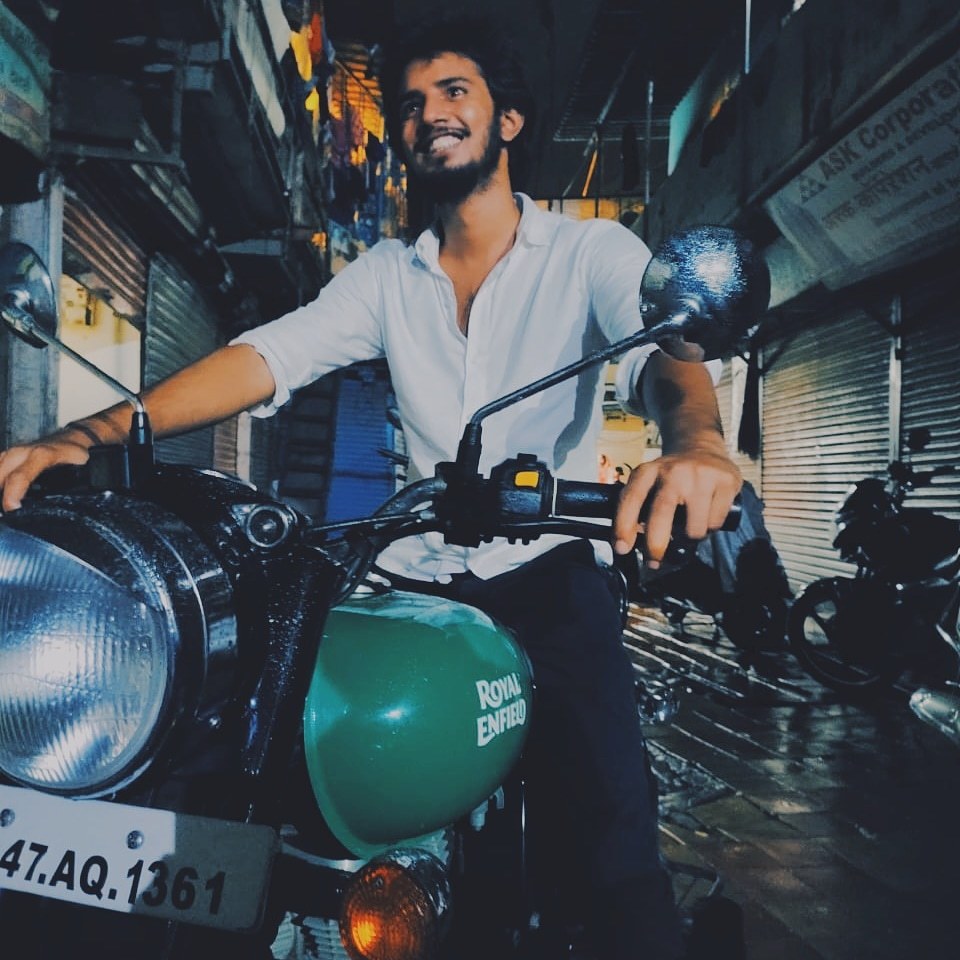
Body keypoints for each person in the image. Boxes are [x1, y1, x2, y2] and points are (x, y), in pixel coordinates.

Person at [0, 15, 742, 959]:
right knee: (265, 765)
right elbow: (268, 355)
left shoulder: (589, 253)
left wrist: (698, 446)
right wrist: (93, 431)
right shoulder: (389, 274)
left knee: (617, 849)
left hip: (548, 575)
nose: (430, 114)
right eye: (412, 103)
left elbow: (667, 356)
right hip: (412, 587)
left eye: (455, 92)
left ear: (508, 120)